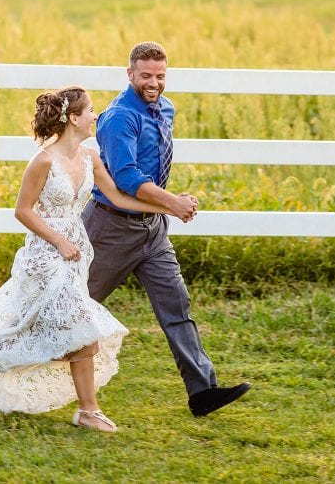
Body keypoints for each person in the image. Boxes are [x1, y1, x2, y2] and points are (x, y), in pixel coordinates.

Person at [0, 86, 188, 433]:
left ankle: (57, 369)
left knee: (67, 329)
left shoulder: (90, 156)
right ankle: (88, 411)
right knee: (82, 327)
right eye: (90, 110)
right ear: (74, 118)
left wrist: (169, 207)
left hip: (78, 253)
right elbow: (23, 211)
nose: (95, 115)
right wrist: (59, 241)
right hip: (45, 254)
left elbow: (119, 198)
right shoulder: (43, 161)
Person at [83, 41, 251, 417]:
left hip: (152, 231)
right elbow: (125, 177)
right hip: (110, 230)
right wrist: (172, 201)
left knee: (177, 306)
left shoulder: (166, 108)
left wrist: (165, 208)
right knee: (72, 306)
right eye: (145, 76)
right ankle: (10, 367)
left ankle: (202, 392)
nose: (154, 83)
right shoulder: (118, 117)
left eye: (160, 76)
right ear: (130, 74)